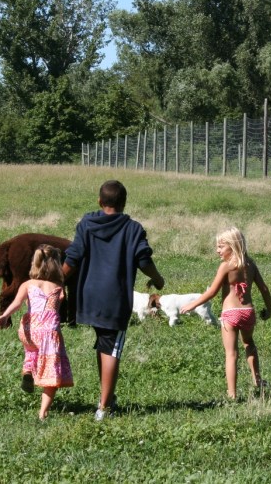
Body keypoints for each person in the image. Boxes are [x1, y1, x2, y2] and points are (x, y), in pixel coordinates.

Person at [62, 180, 166, 420]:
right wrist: (158, 279)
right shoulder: (133, 229)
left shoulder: (86, 224)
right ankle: (104, 408)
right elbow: (144, 261)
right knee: (112, 349)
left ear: (100, 201)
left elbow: (73, 258)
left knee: (104, 344)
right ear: (124, 203)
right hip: (115, 299)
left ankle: (107, 397)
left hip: (88, 297)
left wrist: (56, 282)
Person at [180, 227, 271, 399]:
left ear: (232, 246)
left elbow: (212, 292)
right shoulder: (250, 264)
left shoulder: (225, 267)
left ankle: (232, 394)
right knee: (249, 343)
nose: (218, 250)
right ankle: (257, 380)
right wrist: (269, 309)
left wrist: (192, 304)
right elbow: (264, 289)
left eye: (221, 247)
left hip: (230, 314)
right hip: (247, 312)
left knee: (231, 354)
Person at [0, 244, 73, 420]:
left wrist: (4, 316)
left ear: (35, 263)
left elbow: (16, 303)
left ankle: (28, 371)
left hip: (29, 329)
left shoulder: (28, 284)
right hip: (49, 332)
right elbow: (60, 301)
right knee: (52, 373)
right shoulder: (58, 286)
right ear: (56, 263)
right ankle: (43, 412)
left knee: (32, 351)